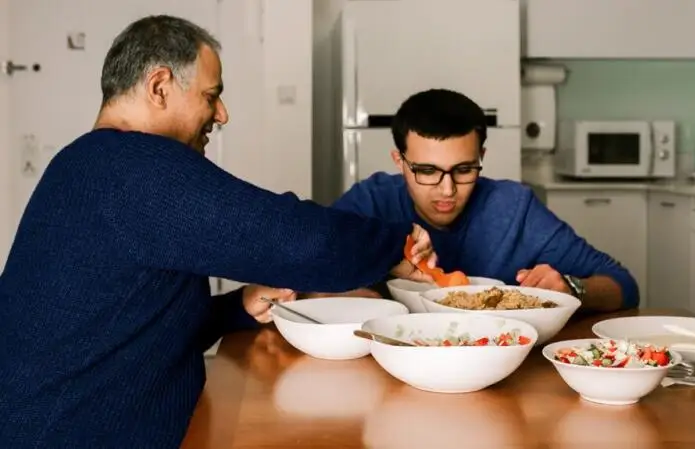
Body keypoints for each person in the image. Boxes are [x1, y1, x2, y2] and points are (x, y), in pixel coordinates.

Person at [0, 15, 437, 449]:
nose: (221, 114)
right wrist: (396, 244)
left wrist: (237, 307)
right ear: (159, 87)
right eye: (212, 96)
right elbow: (301, 241)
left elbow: (128, 327)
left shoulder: (87, 165)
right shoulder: (133, 168)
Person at [324, 88, 640, 312]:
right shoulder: (372, 203)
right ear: (399, 161)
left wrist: (573, 289)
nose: (447, 189)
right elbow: (309, 271)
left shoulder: (515, 208)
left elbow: (624, 286)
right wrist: (349, 294)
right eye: (427, 171)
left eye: (463, 169)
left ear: (481, 157)